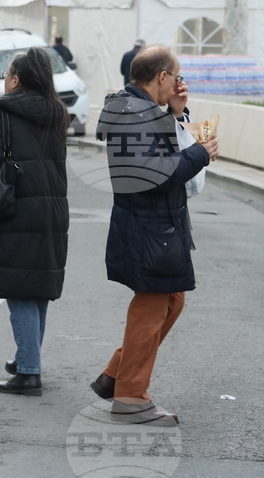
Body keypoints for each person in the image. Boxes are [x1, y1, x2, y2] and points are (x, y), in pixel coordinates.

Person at [90, 45, 217, 425]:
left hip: (154, 226)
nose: (178, 85)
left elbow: (158, 149)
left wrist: (177, 114)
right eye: (175, 78)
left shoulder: (137, 108)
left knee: (171, 301)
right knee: (151, 308)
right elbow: (154, 172)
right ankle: (130, 396)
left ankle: (116, 374)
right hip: (150, 228)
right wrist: (201, 154)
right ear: (160, 77)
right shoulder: (132, 113)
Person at [0, 48, 69, 396]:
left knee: (19, 290)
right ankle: (29, 356)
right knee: (36, 286)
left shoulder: (1, 112)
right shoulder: (57, 113)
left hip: (17, 208)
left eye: (9, 74)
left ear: (17, 79)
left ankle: (29, 371)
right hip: (53, 208)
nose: (6, 80)